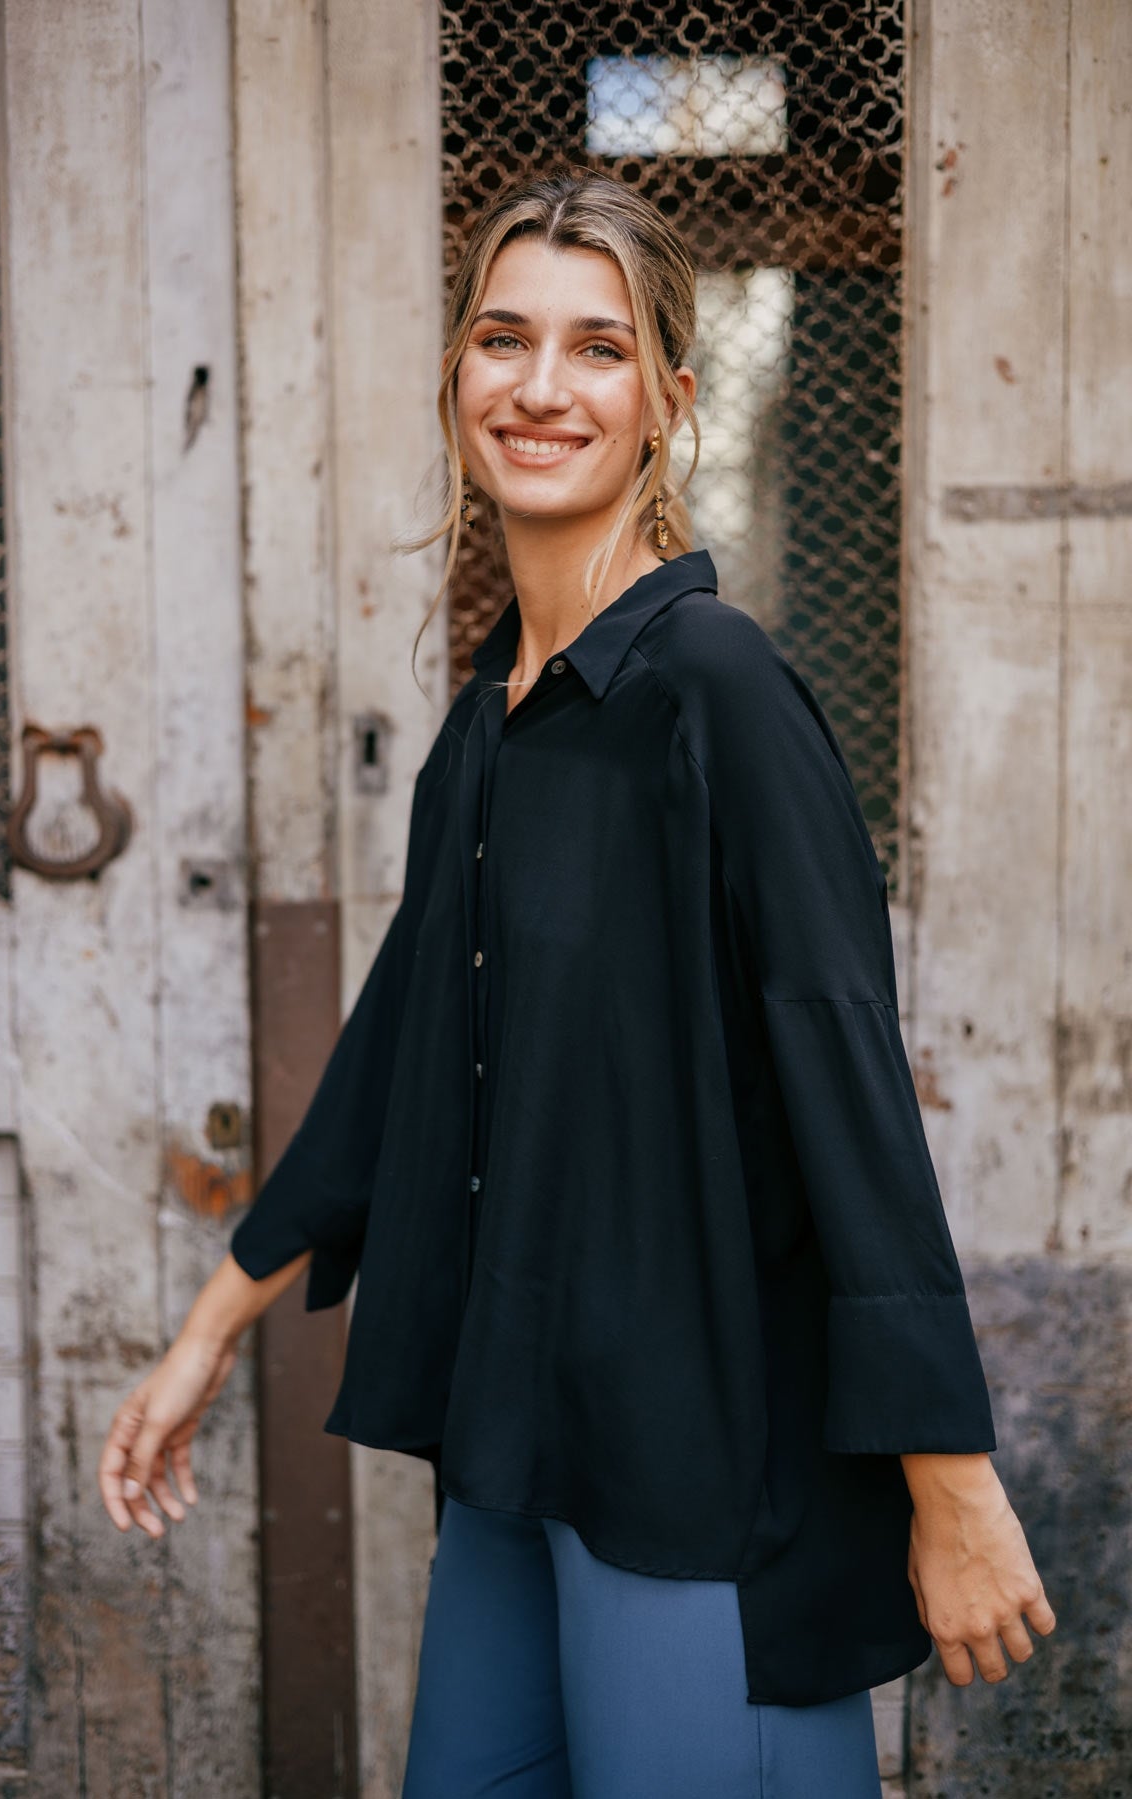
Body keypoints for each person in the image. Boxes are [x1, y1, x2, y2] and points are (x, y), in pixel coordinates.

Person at [99, 165, 1056, 1796]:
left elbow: (848, 1081)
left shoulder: (716, 690)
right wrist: (210, 1330)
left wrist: (949, 1483)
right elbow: (403, 1046)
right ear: (456, 376)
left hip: (696, 1480)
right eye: (505, 339)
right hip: (514, 1446)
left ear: (669, 401)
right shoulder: (491, 721)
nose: (542, 387)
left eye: (598, 349)